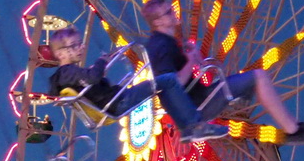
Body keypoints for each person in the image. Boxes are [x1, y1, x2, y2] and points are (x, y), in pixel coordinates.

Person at [139, 0, 304, 144]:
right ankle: (293, 131)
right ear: (158, 22)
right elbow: (173, 84)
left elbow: (199, 70)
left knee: (254, 80)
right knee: (258, 76)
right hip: (198, 106)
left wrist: (194, 57)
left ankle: (287, 125)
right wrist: (189, 61)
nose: (174, 13)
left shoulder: (169, 42)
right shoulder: (160, 46)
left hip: (201, 97)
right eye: (169, 12)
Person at [45, 27, 225, 140]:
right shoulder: (68, 72)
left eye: (80, 44)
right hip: (118, 101)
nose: (81, 47)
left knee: (161, 86)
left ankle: (189, 121)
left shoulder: (64, 77)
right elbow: (92, 77)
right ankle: (194, 125)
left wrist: (102, 66)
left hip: (114, 102)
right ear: (60, 54)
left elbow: (89, 81)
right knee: (169, 80)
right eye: (75, 45)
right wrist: (101, 62)